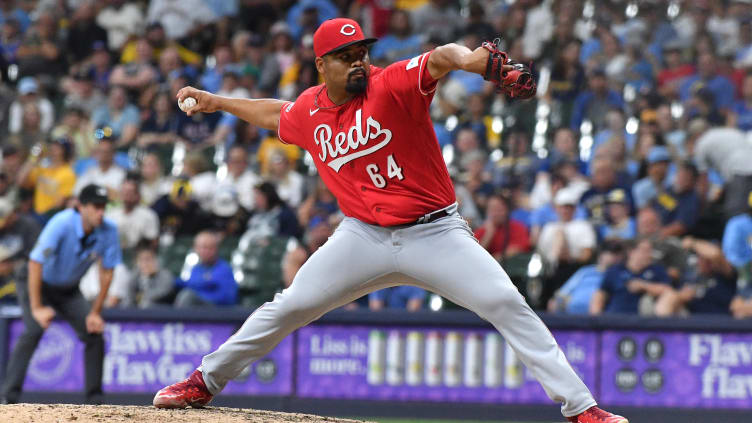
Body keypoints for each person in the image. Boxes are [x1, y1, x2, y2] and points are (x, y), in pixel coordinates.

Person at [154, 18, 626, 423]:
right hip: (362, 236)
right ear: (322, 65)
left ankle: (581, 408)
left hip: (435, 231)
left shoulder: (392, 83)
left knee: (506, 302)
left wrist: (475, 62)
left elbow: (440, 57)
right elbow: (278, 113)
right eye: (345, 56)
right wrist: (219, 101)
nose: (358, 61)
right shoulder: (310, 112)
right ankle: (204, 381)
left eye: (361, 51)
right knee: (290, 305)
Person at [1, 184, 121, 405]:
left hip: (68, 289)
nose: (101, 212)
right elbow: (35, 262)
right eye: (96, 206)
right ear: (81, 206)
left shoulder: (109, 229)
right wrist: (37, 308)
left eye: (104, 206)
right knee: (34, 328)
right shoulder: (62, 223)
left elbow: (108, 272)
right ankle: (9, 397)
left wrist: (95, 312)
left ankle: (95, 400)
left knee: (93, 333)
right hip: (35, 281)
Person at [590, 238, 676, 317]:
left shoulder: (657, 270)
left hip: (643, 323)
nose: (648, 255)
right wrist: (597, 320)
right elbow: (600, 295)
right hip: (614, 320)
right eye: (644, 251)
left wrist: (644, 286)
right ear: (631, 252)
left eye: (650, 251)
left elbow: (668, 291)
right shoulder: (615, 270)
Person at [548, 241, 625, 315]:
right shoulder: (586, 271)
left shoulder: (619, 276)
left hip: (594, 319)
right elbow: (563, 293)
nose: (615, 257)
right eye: (611, 253)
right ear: (601, 254)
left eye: (617, 254)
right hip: (569, 315)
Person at [173, 231, 237, 307]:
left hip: (216, 312)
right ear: (195, 248)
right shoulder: (196, 268)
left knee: (187, 296)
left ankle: (178, 318)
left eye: (209, 248)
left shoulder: (224, 269)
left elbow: (229, 298)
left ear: (216, 249)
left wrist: (201, 288)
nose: (205, 251)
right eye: (201, 247)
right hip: (196, 311)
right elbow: (189, 284)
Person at [474, 194, 531, 261]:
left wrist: (497, 257)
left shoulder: (517, 227)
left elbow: (519, 248)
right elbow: (475, 255)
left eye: (500, 209)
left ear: (507, 210)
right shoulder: (483, 229)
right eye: (492, 209)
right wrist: (489, 234)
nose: (496, 213)